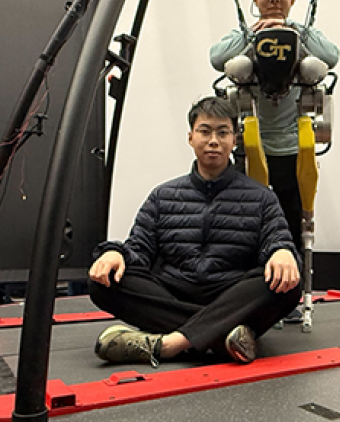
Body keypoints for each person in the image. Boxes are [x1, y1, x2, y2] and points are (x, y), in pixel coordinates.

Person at [88, 96, 302, 366]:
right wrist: (115, 253)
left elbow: (277, 239)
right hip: (174, 294)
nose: (213, 140)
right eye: (205, 131)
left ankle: (168, 344)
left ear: (234, 140)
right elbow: (139, 250)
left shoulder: (262, 198)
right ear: (190, 137)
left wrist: (282, 251)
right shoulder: (162, 196)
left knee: (288, 284)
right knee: (102, 281)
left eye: (222, 132)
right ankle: (224, 336)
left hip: (230, 294)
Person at [209, 0, 339, 260]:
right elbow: (217, 58)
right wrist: (252, 34)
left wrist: (291, 29)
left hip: (293, 148)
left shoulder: (302, 36)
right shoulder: (246, 35)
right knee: (248, 220)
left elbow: (331, 55)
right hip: (251, 146)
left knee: (292, 220)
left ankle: (290, 288)